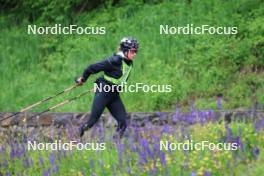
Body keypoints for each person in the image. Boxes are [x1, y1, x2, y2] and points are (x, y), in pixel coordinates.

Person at [76, 37, 139, 138]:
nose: (135, 54)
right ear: (125, 50)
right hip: (104, 93)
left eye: (136, 51)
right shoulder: (115, 60)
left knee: (122, 123)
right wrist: (83, 79)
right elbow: (92, 68)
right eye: (133, 51)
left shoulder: (128, 61)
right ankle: (76, 136)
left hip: (114, 95)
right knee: (91, 122)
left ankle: (115, 146)